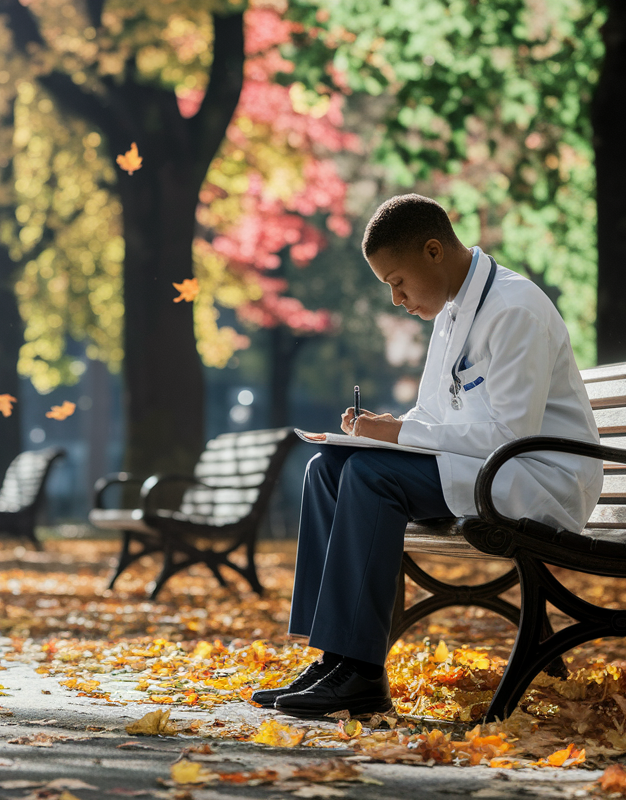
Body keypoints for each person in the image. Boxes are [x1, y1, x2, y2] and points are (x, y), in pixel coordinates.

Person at [255, 193, 604, 719]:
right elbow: (434, 420)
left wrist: (396, 437)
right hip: (485, 469)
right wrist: (382, 431)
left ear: (434, 251)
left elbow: (509, 435)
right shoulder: (449, 313)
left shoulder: (513, 308)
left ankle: (361, 672)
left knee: (372, 478)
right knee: (327, 468)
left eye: (397, 282)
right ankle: (334, 659)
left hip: (538, 477)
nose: (397, 299)